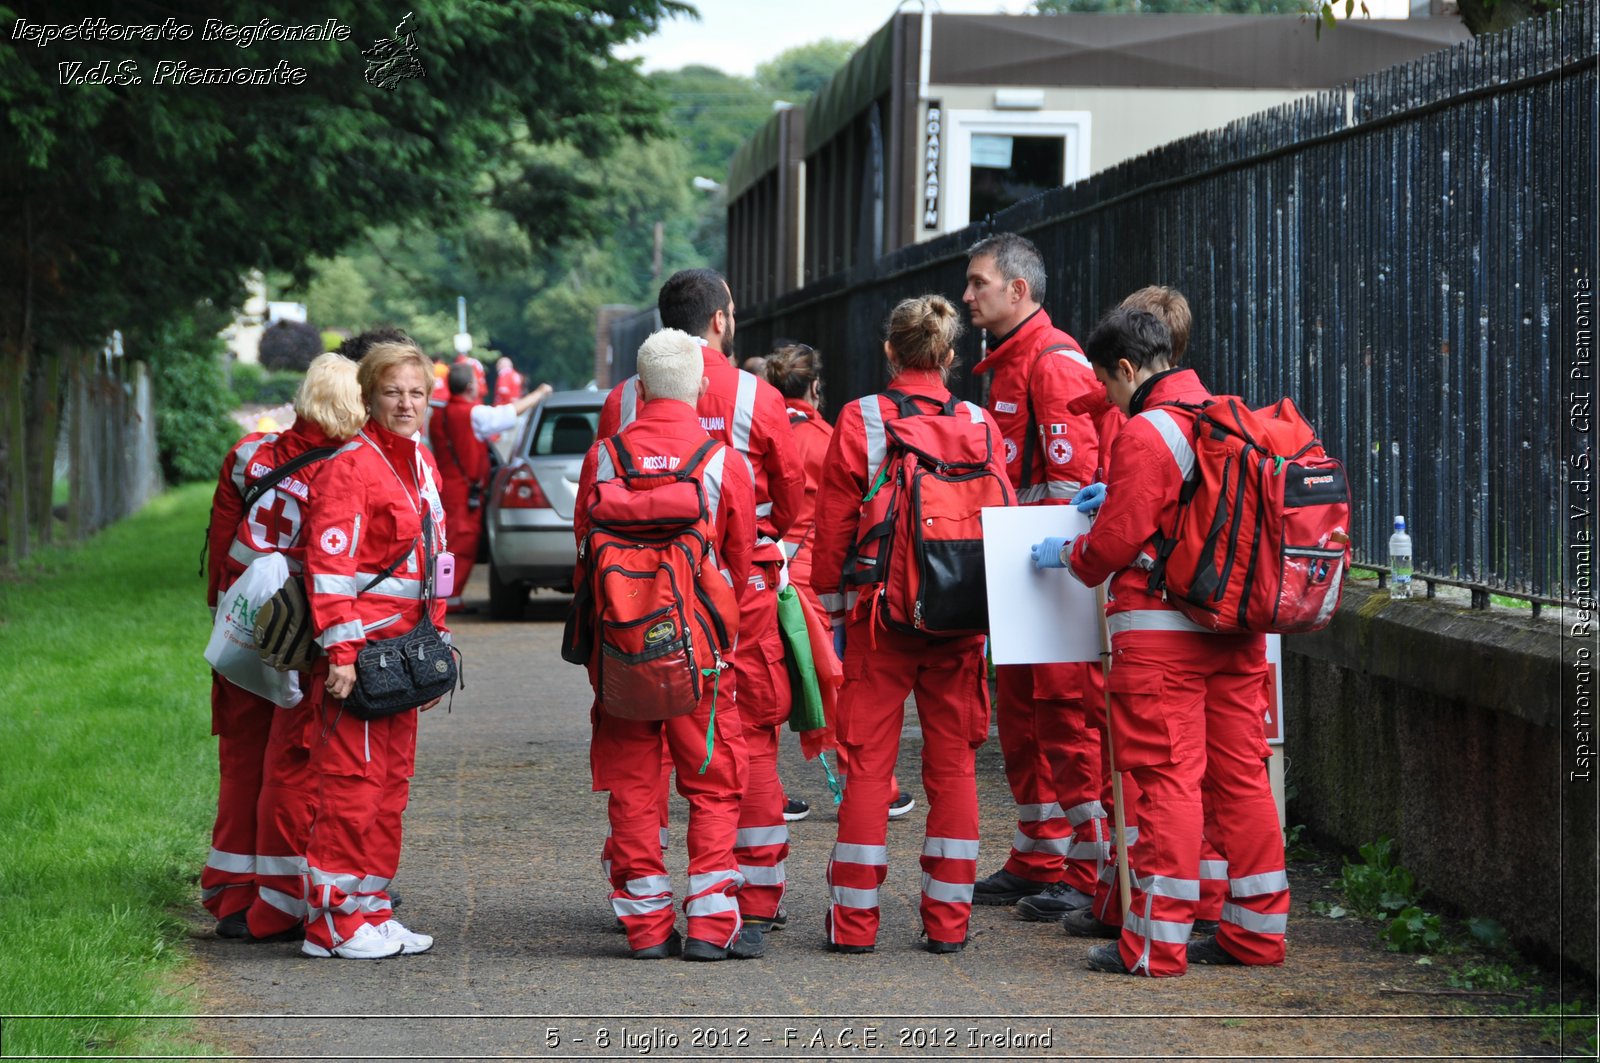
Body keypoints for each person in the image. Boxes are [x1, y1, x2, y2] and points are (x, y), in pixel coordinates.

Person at [1042, 306, 1288, 977]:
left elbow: (1111, 547)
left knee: (1168, 784)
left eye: (1109, 387)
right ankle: (1257, 932)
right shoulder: (1225, 414)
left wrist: (1070, 550)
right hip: (1235, 632)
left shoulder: (1148, 432)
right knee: (1241, 778)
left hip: (1161, 639)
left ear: (1126, 369)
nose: (1112, 404)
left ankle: (1156, 942)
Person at [598, 269, 806, 942]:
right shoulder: (747, 413)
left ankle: (644, 921)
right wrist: (722, 602)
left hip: (626, 632)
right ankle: (727, 911)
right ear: (720, 320)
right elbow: (772, 523)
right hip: (711, 628)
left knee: (634, 775)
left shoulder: (613, 425)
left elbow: (586, 540)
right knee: (726, 767)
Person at [810, 295, 1006, 955]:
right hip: (959, 619)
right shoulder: (981, 423)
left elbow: (834, 529)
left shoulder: (861, 418)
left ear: (890, 350)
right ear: (950, 357)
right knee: (953, 767)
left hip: (879, 617)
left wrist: (834, 617)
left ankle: (855, 924)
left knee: (868, 767)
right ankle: (949, 923)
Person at [575, 328, 760, 961]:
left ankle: (646, 928)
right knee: (712, 784)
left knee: (632, 784)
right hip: (698, 653)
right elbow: (737, 559)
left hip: (621, 652)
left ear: (641, 388)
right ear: (703, 386)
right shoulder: (722, 462)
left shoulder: (601, 460)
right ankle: (711, 926)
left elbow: (582, 556)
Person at [961, 233, 1111, 917]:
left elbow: (1074, 488)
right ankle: (1038, 853)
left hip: (1052, 581)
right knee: (1022, 718)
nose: (968, 295)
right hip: (1024, 577)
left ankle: (1086, 870)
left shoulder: (1052, 365)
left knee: (1066, 718)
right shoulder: (1016, 364)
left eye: (978, 282)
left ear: (1018, 290)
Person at [202, 353, 366, 942]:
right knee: (294, 764)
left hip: (241, 622)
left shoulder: (248, 454)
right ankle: (285, 893)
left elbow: (221, 542)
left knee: (240, 761)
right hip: (300, 635)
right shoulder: (349, 465)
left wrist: (222, 611)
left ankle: (228, 894)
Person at [301, 339, 452, 960]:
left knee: (389, 788)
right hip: (361, 658)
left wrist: (435, 628)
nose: (405, 403)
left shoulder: (419, 462)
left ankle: (370, 910)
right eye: (393, 392)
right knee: (350, 788)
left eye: (416, 393)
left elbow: (434, 556)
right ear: (367, 396)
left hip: (404, 656)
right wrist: (339, 652)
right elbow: (329, 568)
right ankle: (330, 925)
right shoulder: (349, 468)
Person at [764, 343, 913, 820]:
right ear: (815, 386)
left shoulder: (760, 434)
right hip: (810, 574)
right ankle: (873, 786)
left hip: (762, 569)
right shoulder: (826, 436)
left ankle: (763, 791)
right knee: (838, 683)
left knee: (761, 683)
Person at [429, 363, 490, 614]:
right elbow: (506, 416)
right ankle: (450, 598)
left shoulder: (439, 415)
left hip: (446, 486)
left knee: (447, 541)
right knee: (461, 543)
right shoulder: (471, 413)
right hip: (464, 492)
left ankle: (446, 596)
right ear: (470, 386)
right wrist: (539, 394)